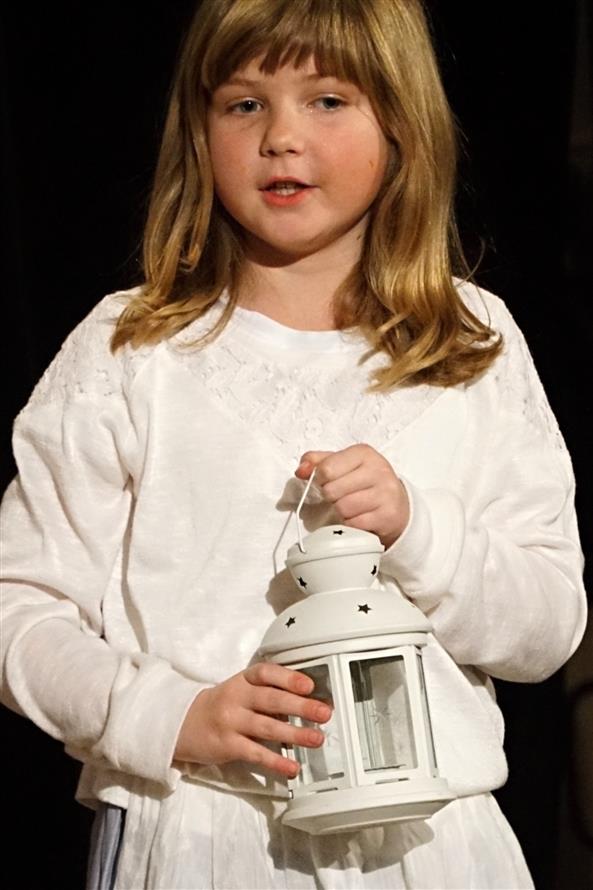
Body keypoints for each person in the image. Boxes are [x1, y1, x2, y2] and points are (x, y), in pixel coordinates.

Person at [0, 0, 586, 887]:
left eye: (328, 101)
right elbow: (21, 606)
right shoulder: (132, 350)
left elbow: (547, 623)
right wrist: (168, 714)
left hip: (433, 847)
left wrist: (419, 529)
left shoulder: (470, 342)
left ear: (400, 125)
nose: (280, 137)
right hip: (200, 831)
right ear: (198, 133)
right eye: (243, 104)